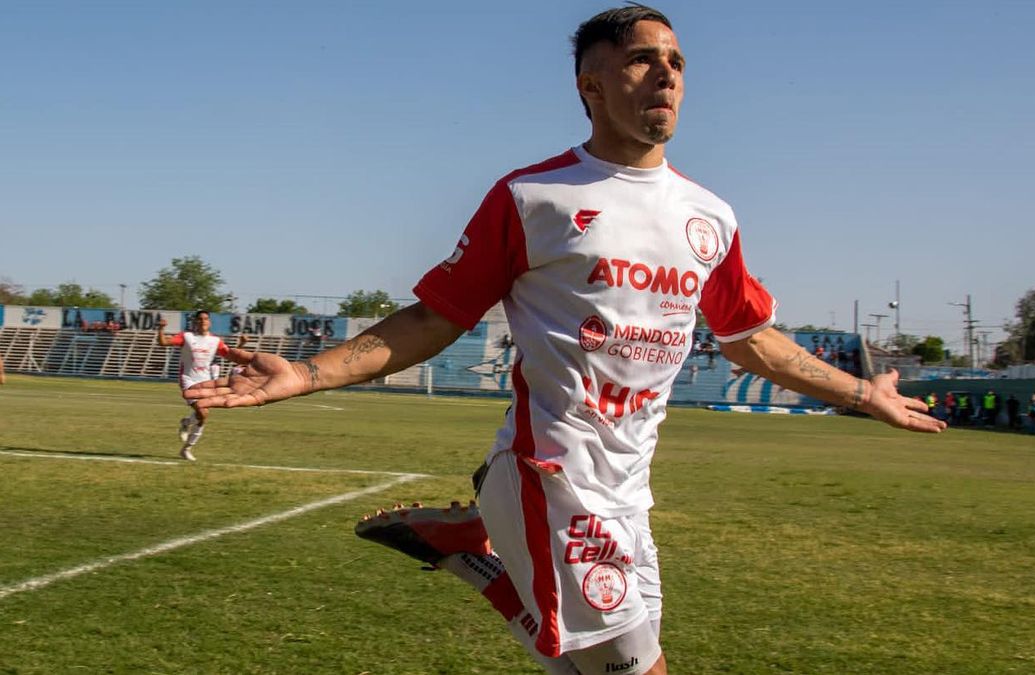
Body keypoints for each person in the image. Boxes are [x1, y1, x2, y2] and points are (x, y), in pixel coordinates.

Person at [184, 6, 945, 674]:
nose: (667, 75)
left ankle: (470, 554)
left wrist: (860, 391)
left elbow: (750, 340)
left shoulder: (710, 217)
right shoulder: (533, 197)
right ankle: (477, 549)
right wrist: (308, 373)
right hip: (553, 476)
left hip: (629, 491)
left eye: (677, 61)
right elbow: (433, 317)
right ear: (592, 85)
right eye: (643, 59)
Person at [157, 311, 247, 461]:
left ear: (209, 322)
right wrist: (160, 329)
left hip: (206, 381)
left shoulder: (215, 341)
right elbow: (163, 342)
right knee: (203, 412)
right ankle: (187, 434)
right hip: (188, 380)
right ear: (195, 322)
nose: (203, 321)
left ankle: (186, 443)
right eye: (200, 319)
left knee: (202, 416)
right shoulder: (186, 337)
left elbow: (231, 355)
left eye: (205, 319)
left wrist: (242, 344)